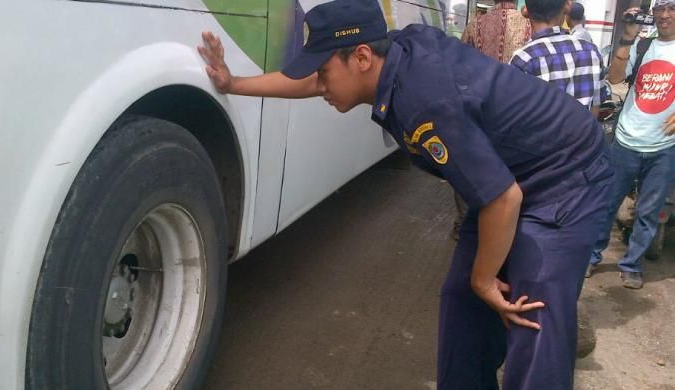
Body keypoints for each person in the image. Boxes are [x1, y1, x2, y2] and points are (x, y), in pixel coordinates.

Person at [199, 0, 612, 388]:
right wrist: (233, 83)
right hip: (508, 177)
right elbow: (310, 81)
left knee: (532, 319)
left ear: (361, 58)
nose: (320, 84)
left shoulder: (424, 100)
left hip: (565, 178)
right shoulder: (391, 55)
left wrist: (487, 279)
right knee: (462, 301)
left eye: (324, 72)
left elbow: (503, 199)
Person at [585, 0, 675, 289]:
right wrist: (628, 36)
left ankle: (631, 263)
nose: (664, 15)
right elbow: (615, 77)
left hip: (665, 147)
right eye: (660, 8)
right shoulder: (643, 46)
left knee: (649, 211)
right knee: (607, 202)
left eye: (672, 8)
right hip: (626, 139)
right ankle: (591, 255)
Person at [455, 0, 533, 240]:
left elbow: (458, 63)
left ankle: (466, 223)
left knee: (468, 166)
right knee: (511, 170)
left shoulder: (475, 24)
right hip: (515, 110)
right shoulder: (529, 26)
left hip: (478, 108)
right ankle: (508, 225)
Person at [510, 0, 604, 115]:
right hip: (582, 132)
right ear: (568, 6)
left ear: (525, 11)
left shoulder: (523, 59)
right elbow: (595, 105)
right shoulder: (592, 51)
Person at [462, 0, 532, 63]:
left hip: (483, 76)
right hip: (516, 76)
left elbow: (461, 58)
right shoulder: (529, 24)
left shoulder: (475, 24)